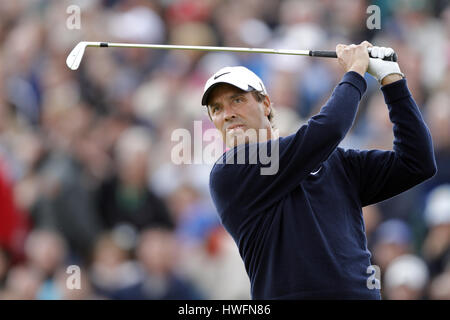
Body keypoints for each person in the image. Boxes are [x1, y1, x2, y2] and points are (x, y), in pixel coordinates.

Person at [202, 41, 437, 299]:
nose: (227, 114)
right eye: (217, 109)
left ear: (266, 104)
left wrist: (392, 81)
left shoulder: (334, 162)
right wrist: (354, 72)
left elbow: (417, 162)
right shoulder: (229, 172)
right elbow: (329, 129)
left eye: (237, 100)